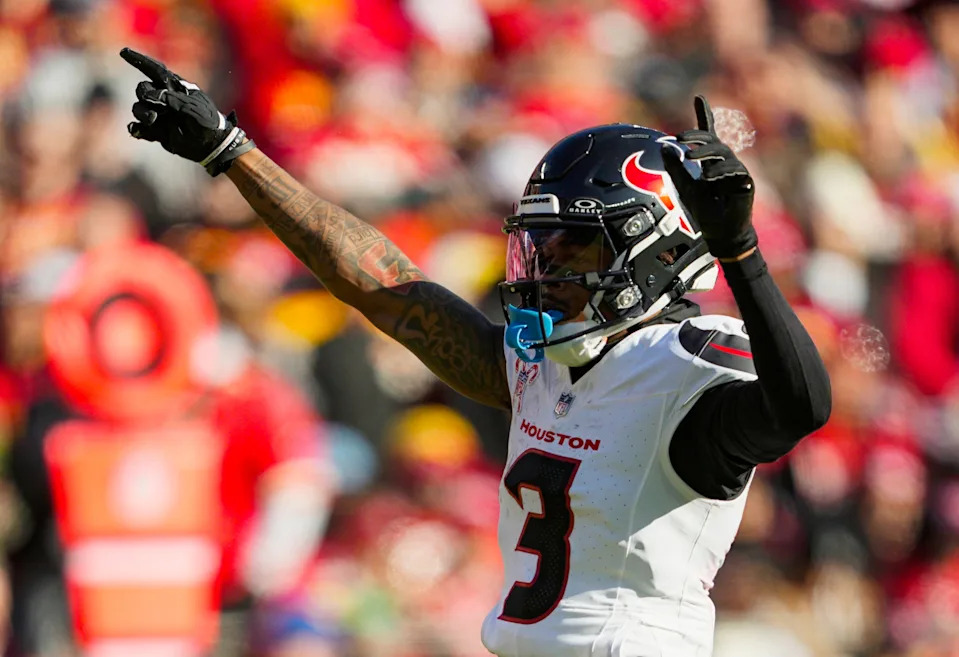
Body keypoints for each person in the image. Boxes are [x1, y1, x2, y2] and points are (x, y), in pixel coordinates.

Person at [120, 47, 831, 656]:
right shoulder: (542, 366)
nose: (548, 270)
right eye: (541, 246)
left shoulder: (684, 366)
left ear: (657, 250)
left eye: (576, 247)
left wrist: (740, 250)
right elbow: (382, 285)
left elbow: (800, 406)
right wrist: (232, 152)